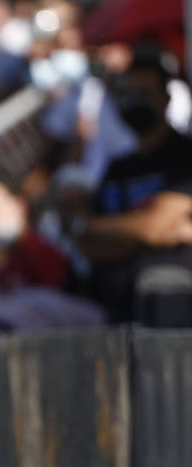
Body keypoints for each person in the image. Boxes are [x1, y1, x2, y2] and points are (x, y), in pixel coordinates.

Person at [79, 48, 192, 326]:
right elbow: (86, 238)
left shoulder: (184, 157)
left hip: (166, 297)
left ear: (166, 97)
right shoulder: (117, 168)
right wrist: (147, 233)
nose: (134, 102)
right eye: (129, 94)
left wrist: (118, 231)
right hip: (109, 298)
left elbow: (153, 229)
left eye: (144, 92)